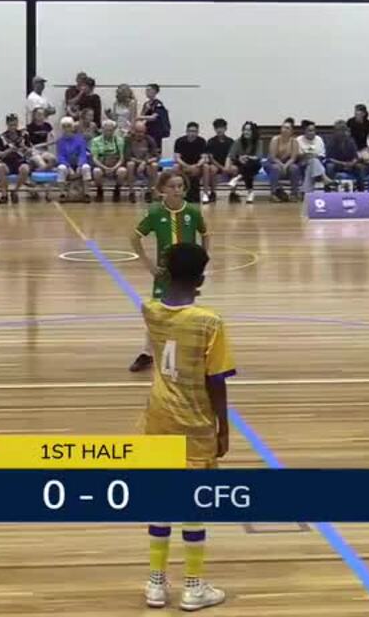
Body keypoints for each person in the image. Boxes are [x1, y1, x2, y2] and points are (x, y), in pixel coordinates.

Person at [137, 241, 232, 612]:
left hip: (157, 418)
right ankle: (193, 586)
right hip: (194, 424)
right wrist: (223, 427)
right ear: (202, 279)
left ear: (165, 272)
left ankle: (156, 584)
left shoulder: (149, 311)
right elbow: (217, 381)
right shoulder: (210, 322)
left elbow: (163, 304)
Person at [129, 170, 209, 372]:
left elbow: (206, 234)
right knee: (157, 312)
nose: (177, 190)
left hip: (187, 274)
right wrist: (149, 265)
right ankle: (147, 353)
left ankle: (188, 352)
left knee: (186, 312)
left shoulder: (192, 211)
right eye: (172, 186)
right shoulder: (155, 212)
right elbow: (135, 237)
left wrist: (201, 260)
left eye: (180, 186)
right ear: (162, 189)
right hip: (165, 273)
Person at [0, 114, 32, 204]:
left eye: (15, 125)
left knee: (25, 169)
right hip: (7, 162)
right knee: (0, 167)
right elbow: (0, 154)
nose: (13, 127)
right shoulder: (2, 137)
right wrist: (9, 150)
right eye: (11, 125)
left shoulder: (24, 135)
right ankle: (4, 195)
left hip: (20, 161)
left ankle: (15, 191)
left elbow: (30, 152)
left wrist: (24, 148)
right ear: (7, 124)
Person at [90, 119, 128, 203]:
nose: (109, 132)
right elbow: (94, 158)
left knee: (123, 171)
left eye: (111, 130)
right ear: (102, 130)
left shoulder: (119, 140)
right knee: (96, 171)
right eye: (106, 130)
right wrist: (105, 168)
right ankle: (99, 190)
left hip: (115, 165)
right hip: (101, 165)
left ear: (114, 130)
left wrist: (114, 168)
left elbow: (122, 158)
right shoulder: (95, 141)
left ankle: (117, 190)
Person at [226, 121, 264, 203]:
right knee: (247, 169)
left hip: (254, 165)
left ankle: (238, 178)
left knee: (251, 164)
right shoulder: (238, 141)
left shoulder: (258, 142)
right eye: (245, 130)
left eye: (249, 130)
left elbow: (259, 157)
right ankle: (250, 193)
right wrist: (238, 159)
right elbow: (231, 156)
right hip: (241, 165)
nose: (246, 132)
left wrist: (247, 157)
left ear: (253, 132)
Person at [55, 117, 91, 202]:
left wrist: (79, 165)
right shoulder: (60, 141)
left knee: (86, 167)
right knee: (61, 168)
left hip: (79, 164)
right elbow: (60, 156)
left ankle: (87, 194)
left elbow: (83, 153)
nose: (67, 128)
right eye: (64, 126)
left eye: (69, 126)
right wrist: (68, 167)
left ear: (72, 127)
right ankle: (62, 194)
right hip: (67, 165)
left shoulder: (80, 139)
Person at [266, 118, 302, 201]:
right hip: (272, 163)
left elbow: (293, 158)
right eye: (283, 127)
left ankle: (294, 194)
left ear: (291, 131)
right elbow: (273, 157)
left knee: (295, 168)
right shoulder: (275, 139)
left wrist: (285, 166)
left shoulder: (294, 141)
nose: (285, 130)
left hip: (288, 163)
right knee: (276, 168)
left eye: (287, 128)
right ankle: (273, 194)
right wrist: (282, 166)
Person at [324, 119, 366, 190]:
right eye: (339, 130)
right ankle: (329, 188)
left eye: (343, 129)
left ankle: (361, 190)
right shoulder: (330, 141)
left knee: (360, 167)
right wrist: (343, 164)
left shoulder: (350, 141)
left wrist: (352, 163)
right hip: (337, 165)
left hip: (350, 165)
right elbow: (329, 158)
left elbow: (355, 156)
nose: (341, 132)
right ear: (335, 131)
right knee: (329, 166)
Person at [125, 120, 161, 203]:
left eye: (141, 132)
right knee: (130, 164)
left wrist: (144, 163)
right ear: (133, 131)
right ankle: (131, 192)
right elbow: (127, 157)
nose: (139, 134)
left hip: (146, 165)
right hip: (134, 165)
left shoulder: (150, 140)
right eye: (137, 131)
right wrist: (140, 163)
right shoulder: (128, 140)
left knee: (154, 165)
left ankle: (149, 192)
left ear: (145, 131)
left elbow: (156, 157)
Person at [202, 118, 234, 204]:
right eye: (217, 128)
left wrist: (227, 167)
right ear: (214, 129)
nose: (219, 130)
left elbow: (231, 156)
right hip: (215, 165)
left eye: (221, 127)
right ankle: (213, 193)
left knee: (235, 168)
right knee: (212, 169)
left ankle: (233, 193)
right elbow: (211, 159)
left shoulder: (230, 141)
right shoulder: (211, 142)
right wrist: (222, 168)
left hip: (227, 164)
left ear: (225, 129)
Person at [173, 121, 207, 201]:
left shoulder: (202, 141)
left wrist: (197, 165)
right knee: (175, 166)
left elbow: (204, 157)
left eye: (194, 131)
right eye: (190, 131)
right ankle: (177, 193)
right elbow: (177, 158)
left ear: (198, 132)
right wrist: (186, 166)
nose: (192, 133)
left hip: (197, 167)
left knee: (206, 166)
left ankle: (206, 194)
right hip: (184, 166)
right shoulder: (179, 141)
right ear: (187, 131)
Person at [296, 120, 327, 195]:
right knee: (312, 161)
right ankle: (324, 178)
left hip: (317, 163)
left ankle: (306, 191)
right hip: (302, 163)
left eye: (313, 130)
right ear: (304, 131)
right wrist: (309, 156)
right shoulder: (298, 140)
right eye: (310, 131)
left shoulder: (319, 139)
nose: (312, 132)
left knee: (312, 163)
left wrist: (312, 157)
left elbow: (322, 155)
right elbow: (299, 155)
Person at [139, 83, 171, 154]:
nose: (146, 92)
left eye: (149, 90)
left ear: (155, 91)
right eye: (146, 90)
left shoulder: (158, 103)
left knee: (156, 151)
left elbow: (153, 117)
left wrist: (137, 117)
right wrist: (145, 110)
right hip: (147, 131)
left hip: (156, 132)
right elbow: (142, 116)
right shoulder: (146, 104)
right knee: (147, 150)